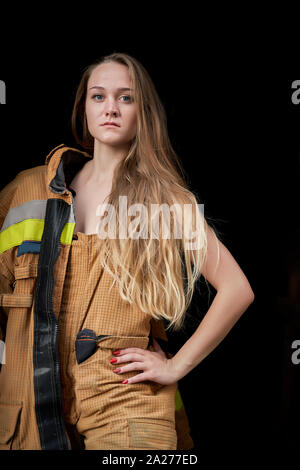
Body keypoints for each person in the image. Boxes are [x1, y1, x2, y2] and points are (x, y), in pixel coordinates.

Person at [0, 52, 254, 451]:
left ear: (143, 111)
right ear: (83, 108)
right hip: (30, 402)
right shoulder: (28, 190)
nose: (111, 109)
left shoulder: (164, 200)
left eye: (126, 98)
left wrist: (175, 366)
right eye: (98, 96)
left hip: (123, 400)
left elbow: (238, 289)